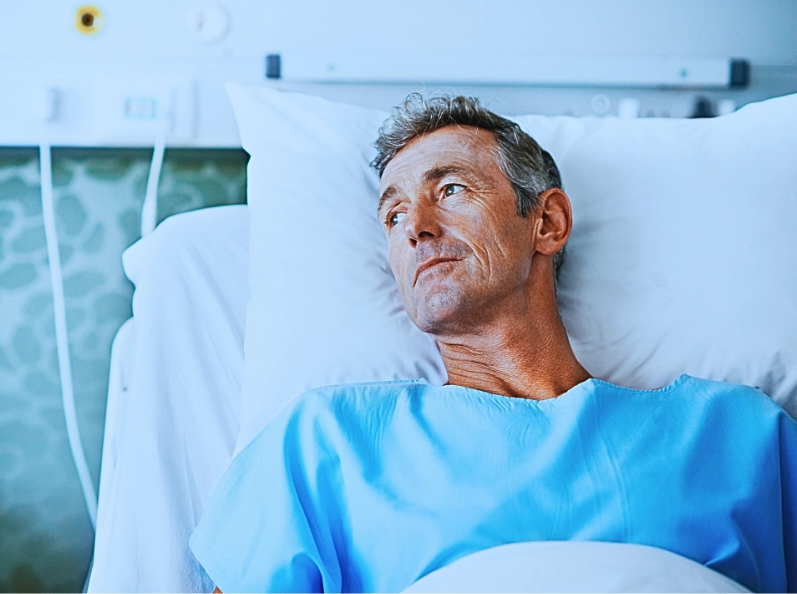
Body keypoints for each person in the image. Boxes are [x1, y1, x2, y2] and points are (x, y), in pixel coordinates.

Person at [189, 95, 797, 593]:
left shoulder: (739, 434)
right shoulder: (328, 441)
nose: (417, 229)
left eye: (450, 189)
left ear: (548, 223)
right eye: (393, 216)